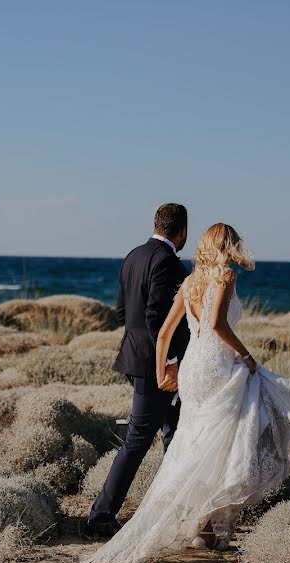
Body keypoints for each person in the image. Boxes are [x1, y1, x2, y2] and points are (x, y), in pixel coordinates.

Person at [82, 222, 290, 563]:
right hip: (217, 365)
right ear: (227, 245)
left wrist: (163, 372)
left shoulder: (189, 282)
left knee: (195, 444)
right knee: (227, 439)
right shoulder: (225, 277)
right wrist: (248, 356)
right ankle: (206, 523)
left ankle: (203, 529)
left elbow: (163, 335)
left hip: (193, 368)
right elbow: (217, 325)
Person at [80, 203, 191, 539]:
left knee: (176, 433)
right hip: (155, 366)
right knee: (137, 440)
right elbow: (157, 317)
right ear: (182, 230)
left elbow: (121, 312)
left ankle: (174, 509)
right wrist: (169, 362)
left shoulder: (133, 255)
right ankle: (100, 517)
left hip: (134, 357)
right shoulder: (169, 263)